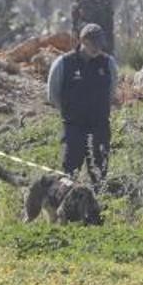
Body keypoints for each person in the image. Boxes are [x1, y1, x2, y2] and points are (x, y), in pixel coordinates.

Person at [48, 23, 118, 186]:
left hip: (99, 126)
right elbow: (53, 95)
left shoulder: (108, 63)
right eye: (93, 44)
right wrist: (70, 112)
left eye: (100, 45)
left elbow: (111, 93)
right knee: (70, 174)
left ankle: (99, 207)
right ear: (83, 41)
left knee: (100, 172)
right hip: (74, 127)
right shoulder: (63, 63)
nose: (97, 48)